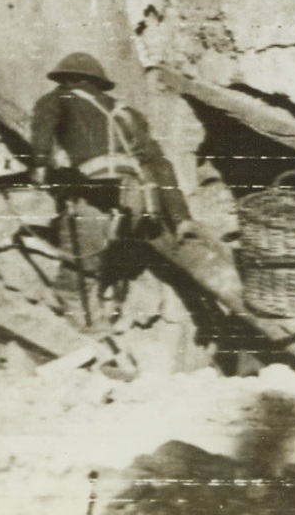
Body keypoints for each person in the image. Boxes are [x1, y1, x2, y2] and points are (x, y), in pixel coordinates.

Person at [30, 53, 200, 325]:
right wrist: (181, 218)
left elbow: (43, 127)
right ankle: (99, 300)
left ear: (68, 80)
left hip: (97, 195)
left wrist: (39, 164)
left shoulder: (59, 99)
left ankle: (85, 325)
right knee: (99, 254)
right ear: (98, 84)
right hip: (137, 203)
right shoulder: (128, 114)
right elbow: (160, 165)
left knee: (79, 270)